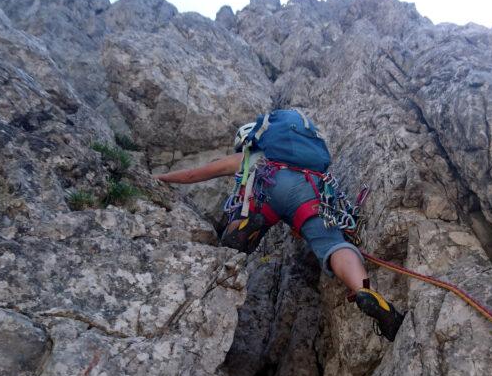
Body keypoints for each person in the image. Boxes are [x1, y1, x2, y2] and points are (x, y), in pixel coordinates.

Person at [155, 109, 405, 341]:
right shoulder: (304, 157)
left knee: (244, 211)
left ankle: (243, 228)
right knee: (333, 244)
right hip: (307, 188)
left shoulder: (249, 156)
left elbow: (195, 174)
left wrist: (159, 178)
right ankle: (365, 290)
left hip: (266, 188)